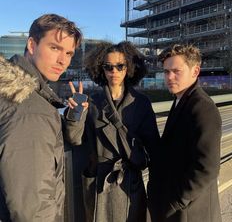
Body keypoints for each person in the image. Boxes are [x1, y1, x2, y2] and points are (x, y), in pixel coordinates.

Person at [64, 41, 160, 222]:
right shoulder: (90, 102)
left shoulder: (141, 103)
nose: (114, 71)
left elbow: (153, 146)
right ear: (101, 69)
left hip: (129, 181)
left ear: (129, 68)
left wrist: (160, 187)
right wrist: (76, 111)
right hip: (99, 182)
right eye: (108, 67)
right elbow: (74, 138)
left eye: (120, 66)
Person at [0, 13, 82, 222]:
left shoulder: (9, 90)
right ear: (31, 44)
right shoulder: (31, 110)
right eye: (55, 48)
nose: (63, 60)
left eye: (70, 53)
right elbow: (32, 208)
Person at [147, 44, 222, 222]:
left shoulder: (203, 108)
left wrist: (177, 201)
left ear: (195, 71)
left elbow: (207, 167)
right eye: (166, 72)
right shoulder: (182, 100)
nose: (169, 77)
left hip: (190, 212)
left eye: (176, 71)